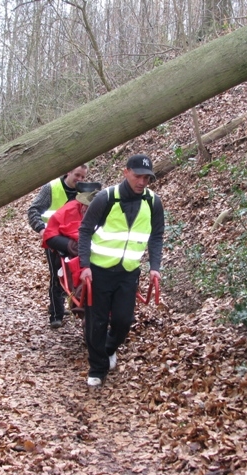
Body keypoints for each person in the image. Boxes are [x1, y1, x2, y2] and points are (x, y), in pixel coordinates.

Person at [78, 154, 165, 387]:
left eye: (147, 178)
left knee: (123, 320)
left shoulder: (153, 202)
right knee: (96, 321)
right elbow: (85, 231)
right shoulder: (106, 198)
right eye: (138, 176)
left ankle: (108, 348)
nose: (142, 182)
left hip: (128, 272)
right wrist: (84, 266)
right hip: (100, 271)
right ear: (125, 172)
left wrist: (155, 267)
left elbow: (156, 236)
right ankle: (97, 368)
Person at [27, 165, 89, 329]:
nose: (80, 180)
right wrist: (42, 229)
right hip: (54, 238)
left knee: (73, 274)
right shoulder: (52, 188)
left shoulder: (84, 192)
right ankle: (56, 314)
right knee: (57, 275)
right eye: (77, 175)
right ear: (68, 172)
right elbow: (33, 210)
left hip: (75, 238)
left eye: (83, 177)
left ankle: (70, 301)